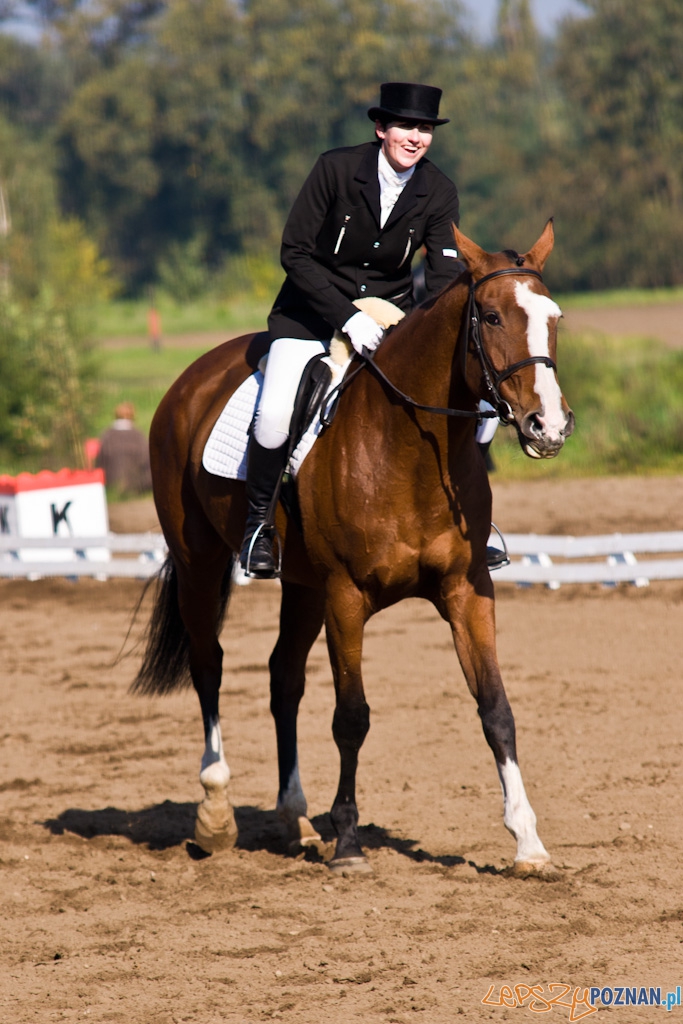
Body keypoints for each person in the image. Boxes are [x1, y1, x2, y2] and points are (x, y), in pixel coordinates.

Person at [240, 81, 494, 578]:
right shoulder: (335, 169)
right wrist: (347, 316)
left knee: (481, 409)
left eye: (425, 129)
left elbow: (443, 277)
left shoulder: (438, 190)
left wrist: (429, 334)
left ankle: (474, 520)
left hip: (389, 320)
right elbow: (295, 253)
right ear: (381, 128)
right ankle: (258, 528)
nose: (415, 138)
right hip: (309, 314)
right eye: (406, 126)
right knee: (273, 414)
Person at [96, 402, 153, 495]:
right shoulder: (138, 435)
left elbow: (100, 461)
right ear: (132, 416)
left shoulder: (107, 435)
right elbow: (147, 460)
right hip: (136, 483)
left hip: (110, 482)